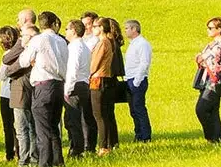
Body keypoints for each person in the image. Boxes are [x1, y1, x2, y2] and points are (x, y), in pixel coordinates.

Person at [19, 10, 68, 167]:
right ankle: (57, 160)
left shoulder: (38, 40)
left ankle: (44, 163)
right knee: (54, 125)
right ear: (54, 24)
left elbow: (24, 61)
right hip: (59, 84)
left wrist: (25, 47)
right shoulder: (61, 41)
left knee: (42, 127)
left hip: (43, 84)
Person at [88, 17, 123, 154]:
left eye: (96, 26)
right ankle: (110, 143)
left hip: (98, 80)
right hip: (106, 79)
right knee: (106, 114)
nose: (93, 28)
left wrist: (88, 73)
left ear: (101, 28)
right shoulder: (110, 42)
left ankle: (103, 146)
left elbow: (94, 64)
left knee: (99, 115)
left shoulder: (103, 43)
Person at [193, 17, 221, 143]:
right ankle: (218, 139)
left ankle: (211, 137)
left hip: (215, 81)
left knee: (201, 109)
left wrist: (203, 59)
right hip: (207, 79)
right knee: (213, 111)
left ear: (219, 29)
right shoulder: (212, 43)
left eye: (211, 28)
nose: (208, 30)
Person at [2, 23, 35, 166]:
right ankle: (32, 158)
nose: (21, 38)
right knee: (31, 128)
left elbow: (8, 68)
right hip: (31, 91)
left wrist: (21, 45)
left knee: (22, 128)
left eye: (23, 36)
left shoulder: (27, 51)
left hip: (21, 91)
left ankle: (24, 160)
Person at [63, 18, 94, 158]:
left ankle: (76, 149)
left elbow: (72, 70)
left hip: (74, 86)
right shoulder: (85, 47)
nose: (66, 31)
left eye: (67, 29)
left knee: (72, 120)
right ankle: (81, 146)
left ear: (74, 31)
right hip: (83, 84)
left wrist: (67, 89)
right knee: (80, 118)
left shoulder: (74, 47)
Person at [123, 18, 153, 143]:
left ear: (134, 29)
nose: (125, 31)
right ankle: (139, 133)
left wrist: (136, 81)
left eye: (127, 28)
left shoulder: (142, 44)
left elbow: (144, 62)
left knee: (139, 108)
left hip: (137, 80)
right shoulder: (133, 44)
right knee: (133, 109)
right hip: (130, 79)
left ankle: (145, 136)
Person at [0, 26, 18, 162]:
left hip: (6, 94)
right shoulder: (21, 51)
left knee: (8, 126)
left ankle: (9, 153)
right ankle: (19, 150)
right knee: (19, 125)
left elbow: (1, 75)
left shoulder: (7, 55)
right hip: (17, 93)